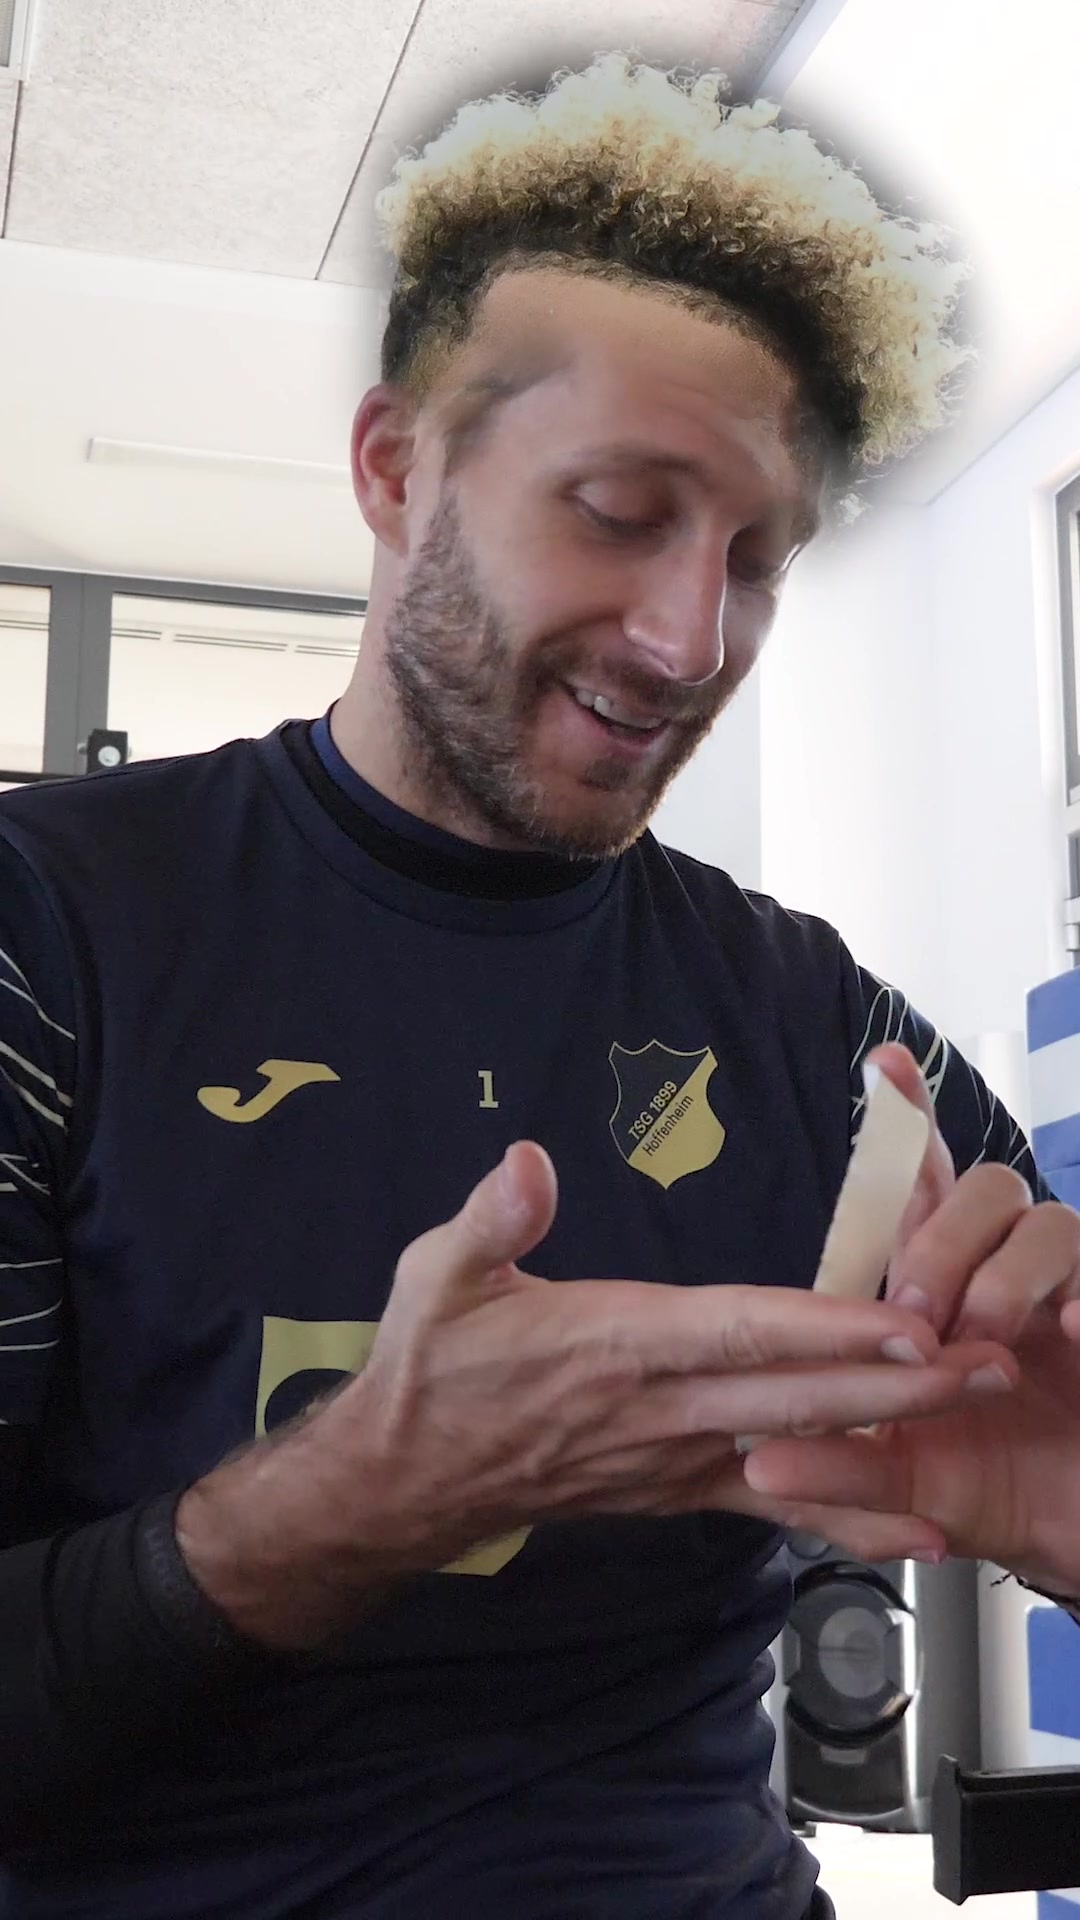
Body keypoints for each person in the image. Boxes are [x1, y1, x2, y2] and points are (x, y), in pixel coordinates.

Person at [2, 49, 1079, 1920]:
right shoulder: (45, 937)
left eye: (759, 559)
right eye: (620, 508)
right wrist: (353, 1495)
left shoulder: (827, 1032)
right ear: (394, 467)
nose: (691, 637)